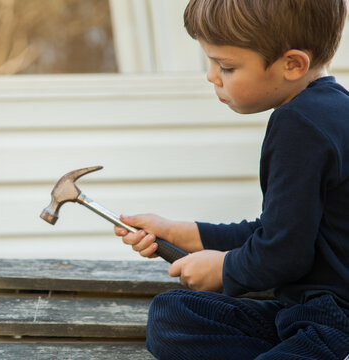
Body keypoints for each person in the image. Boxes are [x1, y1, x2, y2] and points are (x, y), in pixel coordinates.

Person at [114, 0, 349, 358]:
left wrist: (225, 270)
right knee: (174, 316)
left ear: (292, 64)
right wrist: (185, 233)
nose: (212, 76)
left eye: (226, 66)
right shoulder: (331, 109)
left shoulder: (299, 126)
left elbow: (284, 255)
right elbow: (279, 231)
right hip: (304, 312)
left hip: (334, 323)